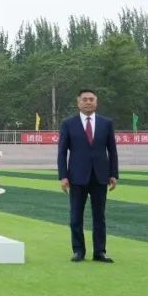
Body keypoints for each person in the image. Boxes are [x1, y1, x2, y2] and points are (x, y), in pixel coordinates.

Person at [58, 89, 119, 263]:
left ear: (96, 102)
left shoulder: (106, 123)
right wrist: (63, 176)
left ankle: (100, 252)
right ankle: (78, 251)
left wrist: (113, 174)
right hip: (77, 176)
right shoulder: (68, 123)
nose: (88, 102)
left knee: (99, 216)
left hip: (100, 176)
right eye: (84, 99)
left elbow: (112, 150)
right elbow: (62, 152)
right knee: (76, 216)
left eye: (91, 99)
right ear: (78, 103)